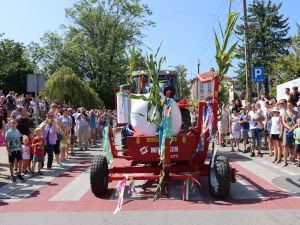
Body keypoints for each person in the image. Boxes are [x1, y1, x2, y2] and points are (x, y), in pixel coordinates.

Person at [281, 100, 298, 166]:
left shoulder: (297, 113)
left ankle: (293, 159)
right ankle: (285, 161)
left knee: (293, 146)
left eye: (290, 105)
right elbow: (283, 122)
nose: (288, 106)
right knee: (285, 146)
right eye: (287, 105)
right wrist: (289, 128)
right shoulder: (284, 112)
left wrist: (293, 128)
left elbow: (298, 122)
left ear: (293, 105)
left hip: (294, 131)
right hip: (286, 131)